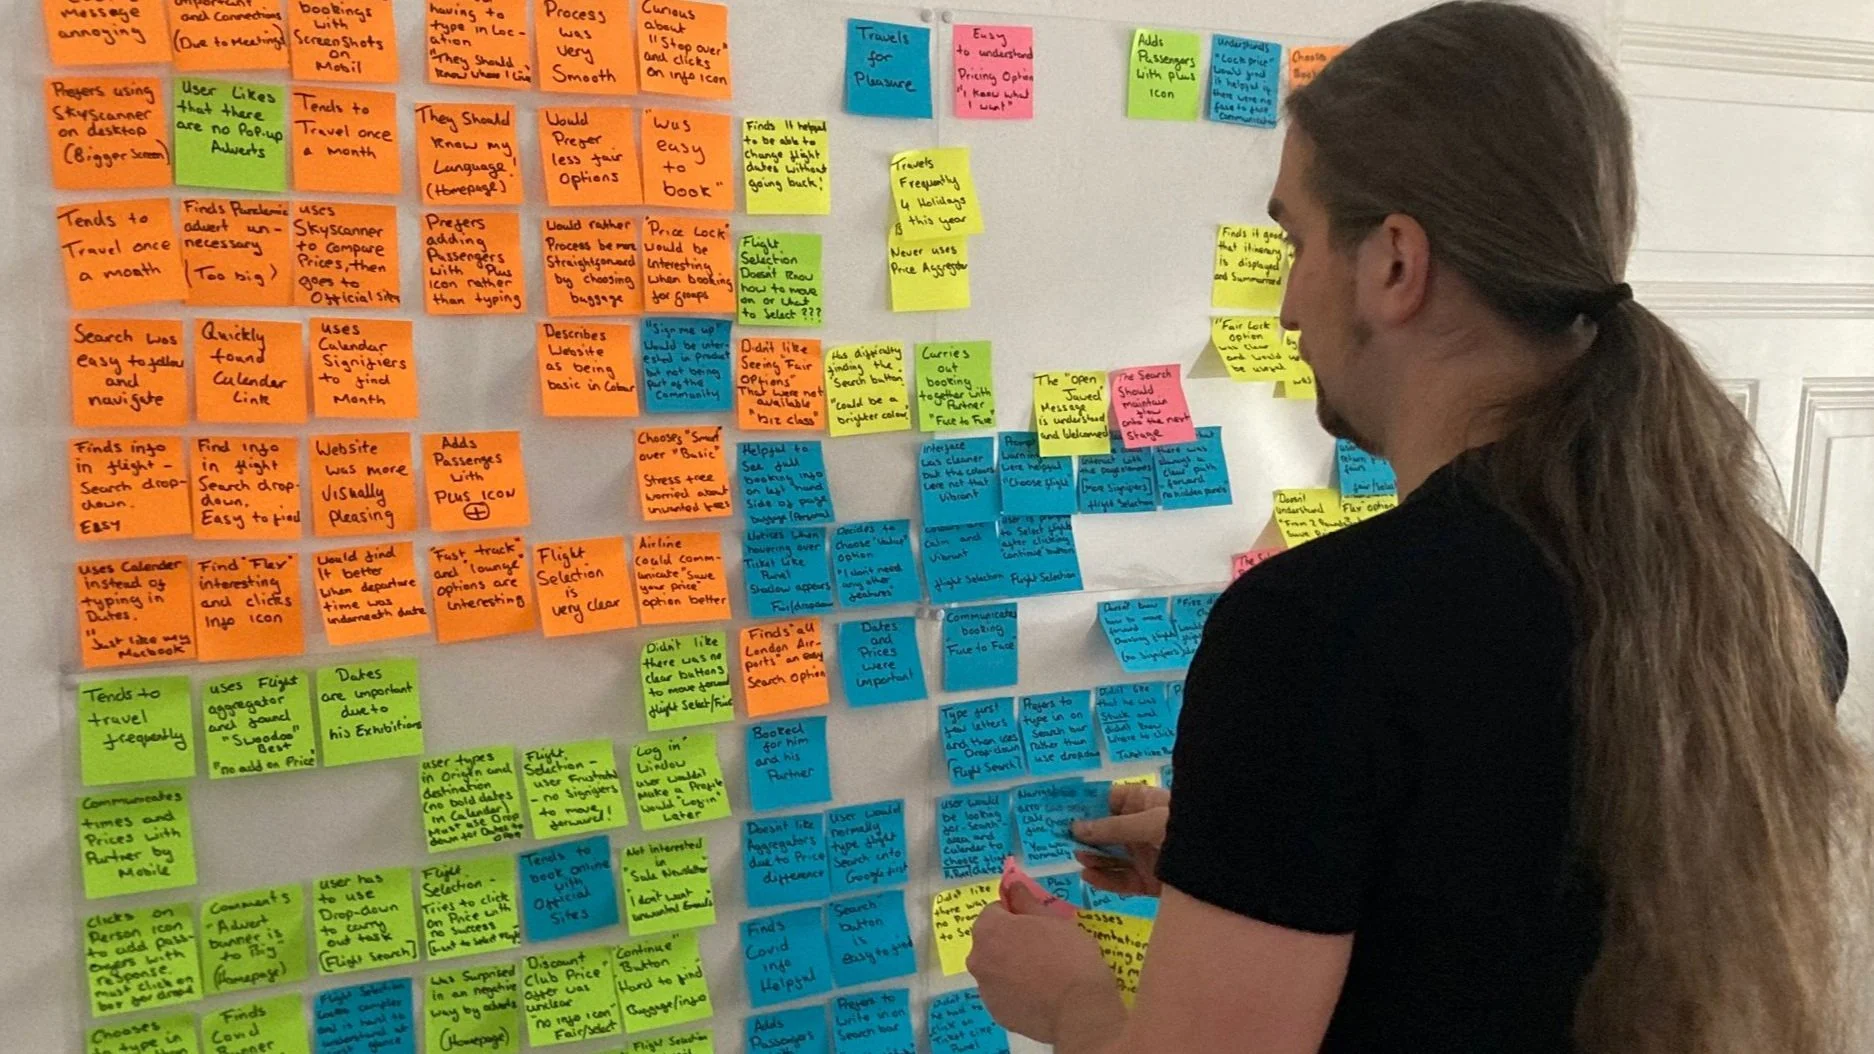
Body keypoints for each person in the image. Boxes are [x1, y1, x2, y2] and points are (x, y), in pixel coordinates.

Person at [965, 3, 1872, 1053]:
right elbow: (1514, 908)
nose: (1286, 308)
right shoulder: (1762, 591)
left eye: (1294, 240)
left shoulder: (1314, 634)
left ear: (1394, 261)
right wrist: (1252, 856)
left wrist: (1063, 998)